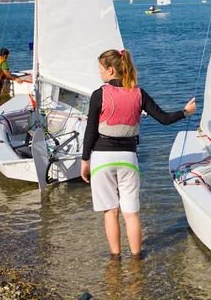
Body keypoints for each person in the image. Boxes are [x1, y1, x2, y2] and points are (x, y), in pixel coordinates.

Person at [81, 49, 196, 258]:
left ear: (110, 70)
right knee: (131, 213)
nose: (99, 73)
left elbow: (90, 131)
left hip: (102, 158)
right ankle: (136, 259)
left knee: (111, 211)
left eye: (100, 69)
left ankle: (115, 258)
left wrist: (84, 160)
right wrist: (186, 111)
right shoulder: (139, 94)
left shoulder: (99, 95)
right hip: (128, 159)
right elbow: (164, 119)